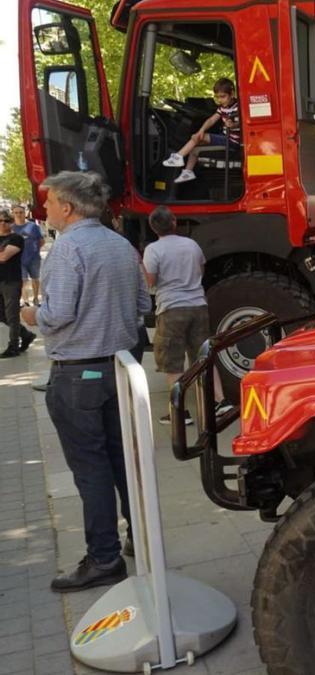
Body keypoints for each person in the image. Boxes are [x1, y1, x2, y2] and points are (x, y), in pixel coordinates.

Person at [20, 171, 151, 592]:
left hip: (78, 375)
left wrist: (29, 317)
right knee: (119, 460)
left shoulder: (66, 250)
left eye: (52, 201)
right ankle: (139, 539)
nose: (47, 209)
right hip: (118, 367)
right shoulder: (120, 245)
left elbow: (57, 315)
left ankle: (104, 559)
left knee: (91, 470)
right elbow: (142, 305)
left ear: (69, 207)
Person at [142, 205, 231, 424]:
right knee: (203, 355)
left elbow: (150, 281)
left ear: (153, 228)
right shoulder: (191, 244)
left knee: (172, 362)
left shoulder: (153, 250)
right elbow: (201, 271)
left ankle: (180, 412)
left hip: (171, 308)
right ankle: (221, 401)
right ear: (174, 222)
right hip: (198, 305)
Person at [162, 77, 241, 184]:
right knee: (195, 145)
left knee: (198, 137)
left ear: (232, 93)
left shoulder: (239, 107)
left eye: (223, 97)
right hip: (225, 137)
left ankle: (178, 156)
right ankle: (188, 172)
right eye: (217, 97)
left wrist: (232, 125)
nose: (220, 100)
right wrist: (201, 130)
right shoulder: (222, 107)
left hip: (233, 142)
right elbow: (211, 120)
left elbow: (241, 122)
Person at [0, 210, 35, 357]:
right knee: (2, 315)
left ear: (11, 222)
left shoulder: (16, 238)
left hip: (11, 281)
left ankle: (13, 346)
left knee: (12, 314)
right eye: (0, 221)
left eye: (6, 221)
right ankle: (25, 334)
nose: (2, 223)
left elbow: (3, 256)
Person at [12, 205, 44, 306]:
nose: (18, 215)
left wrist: (34, 251)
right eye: (16, 213)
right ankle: (25, 301)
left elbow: (41, 241)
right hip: (18, 260)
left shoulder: (33, 226)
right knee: (22, 280)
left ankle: (35, 299)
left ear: (25, 213)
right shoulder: (11, 228)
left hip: (34, 259)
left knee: (35, 278)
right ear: (12, 214)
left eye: (20, 212)